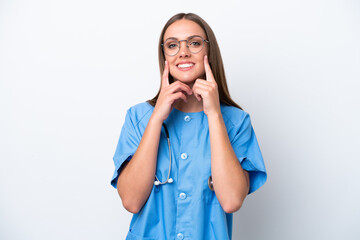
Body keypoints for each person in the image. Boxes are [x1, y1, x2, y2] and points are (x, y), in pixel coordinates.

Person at [110, 13, 267, 240]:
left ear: (208, 52)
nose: (183, 52)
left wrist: (213, 114)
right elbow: (132, 202)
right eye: (172, 45)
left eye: (194, 43)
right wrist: (156, 119)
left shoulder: (236, 122)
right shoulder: (139, 117)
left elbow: (232, 200)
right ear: (164, 56)